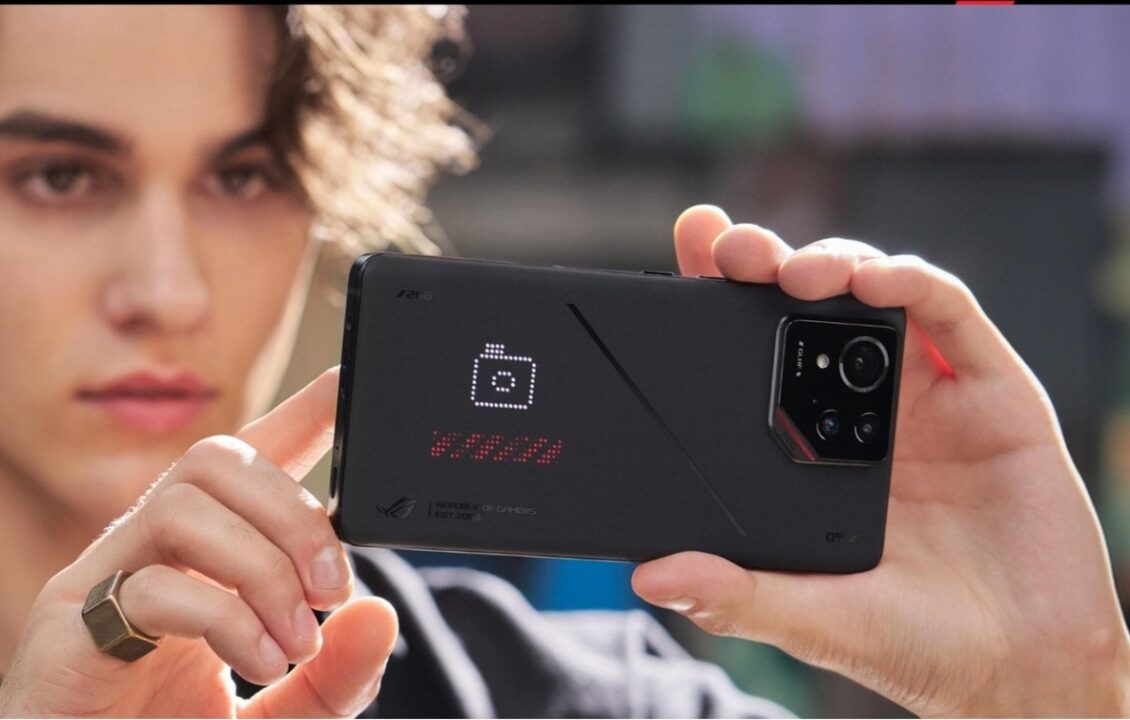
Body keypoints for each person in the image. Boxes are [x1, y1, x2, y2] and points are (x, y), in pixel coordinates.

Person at [0, 4, 1126, 718]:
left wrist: (1044, 692)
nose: (168, 292)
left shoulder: (566, 699)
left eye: (243, 176)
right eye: (57, 176)